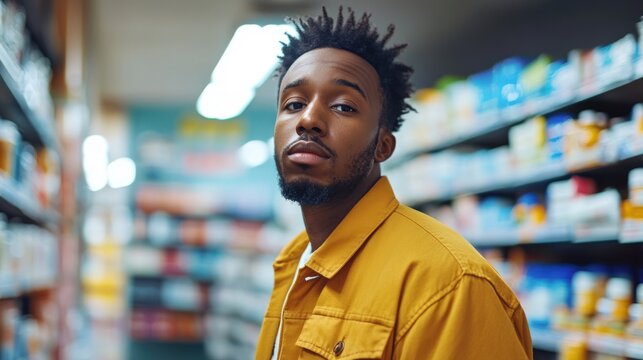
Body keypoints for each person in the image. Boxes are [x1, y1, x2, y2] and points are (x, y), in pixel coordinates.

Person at [255, 6, 533, 360]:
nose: (308, 119)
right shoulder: (295, 262)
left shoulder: (447, 284)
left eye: (343, 106)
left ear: (383, 146)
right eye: (294, 103)